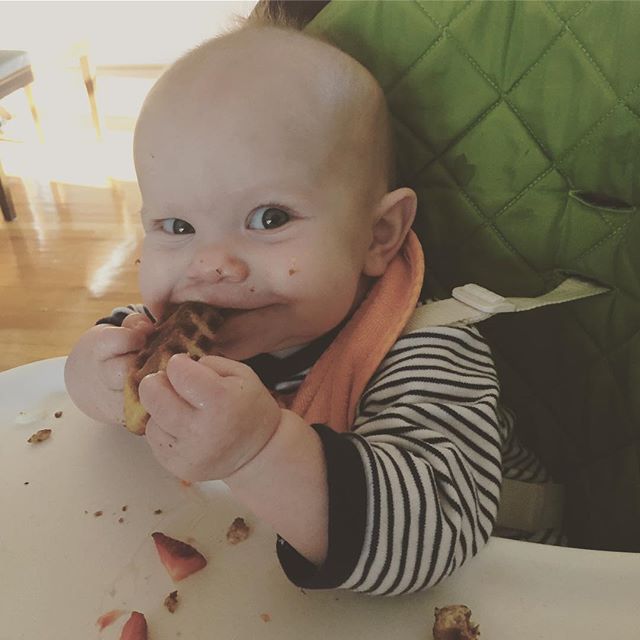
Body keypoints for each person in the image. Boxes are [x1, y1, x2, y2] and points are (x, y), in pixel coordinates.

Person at [64, 21, 556, 596]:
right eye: (177, 226)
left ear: (378, 234)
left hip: (505, 591)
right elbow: (112, 345)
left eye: (269, 219)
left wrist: (259, 451)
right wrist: (94, 378)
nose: (212, 263)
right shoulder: (183, 331)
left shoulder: (427, 348)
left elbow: (436, 532)